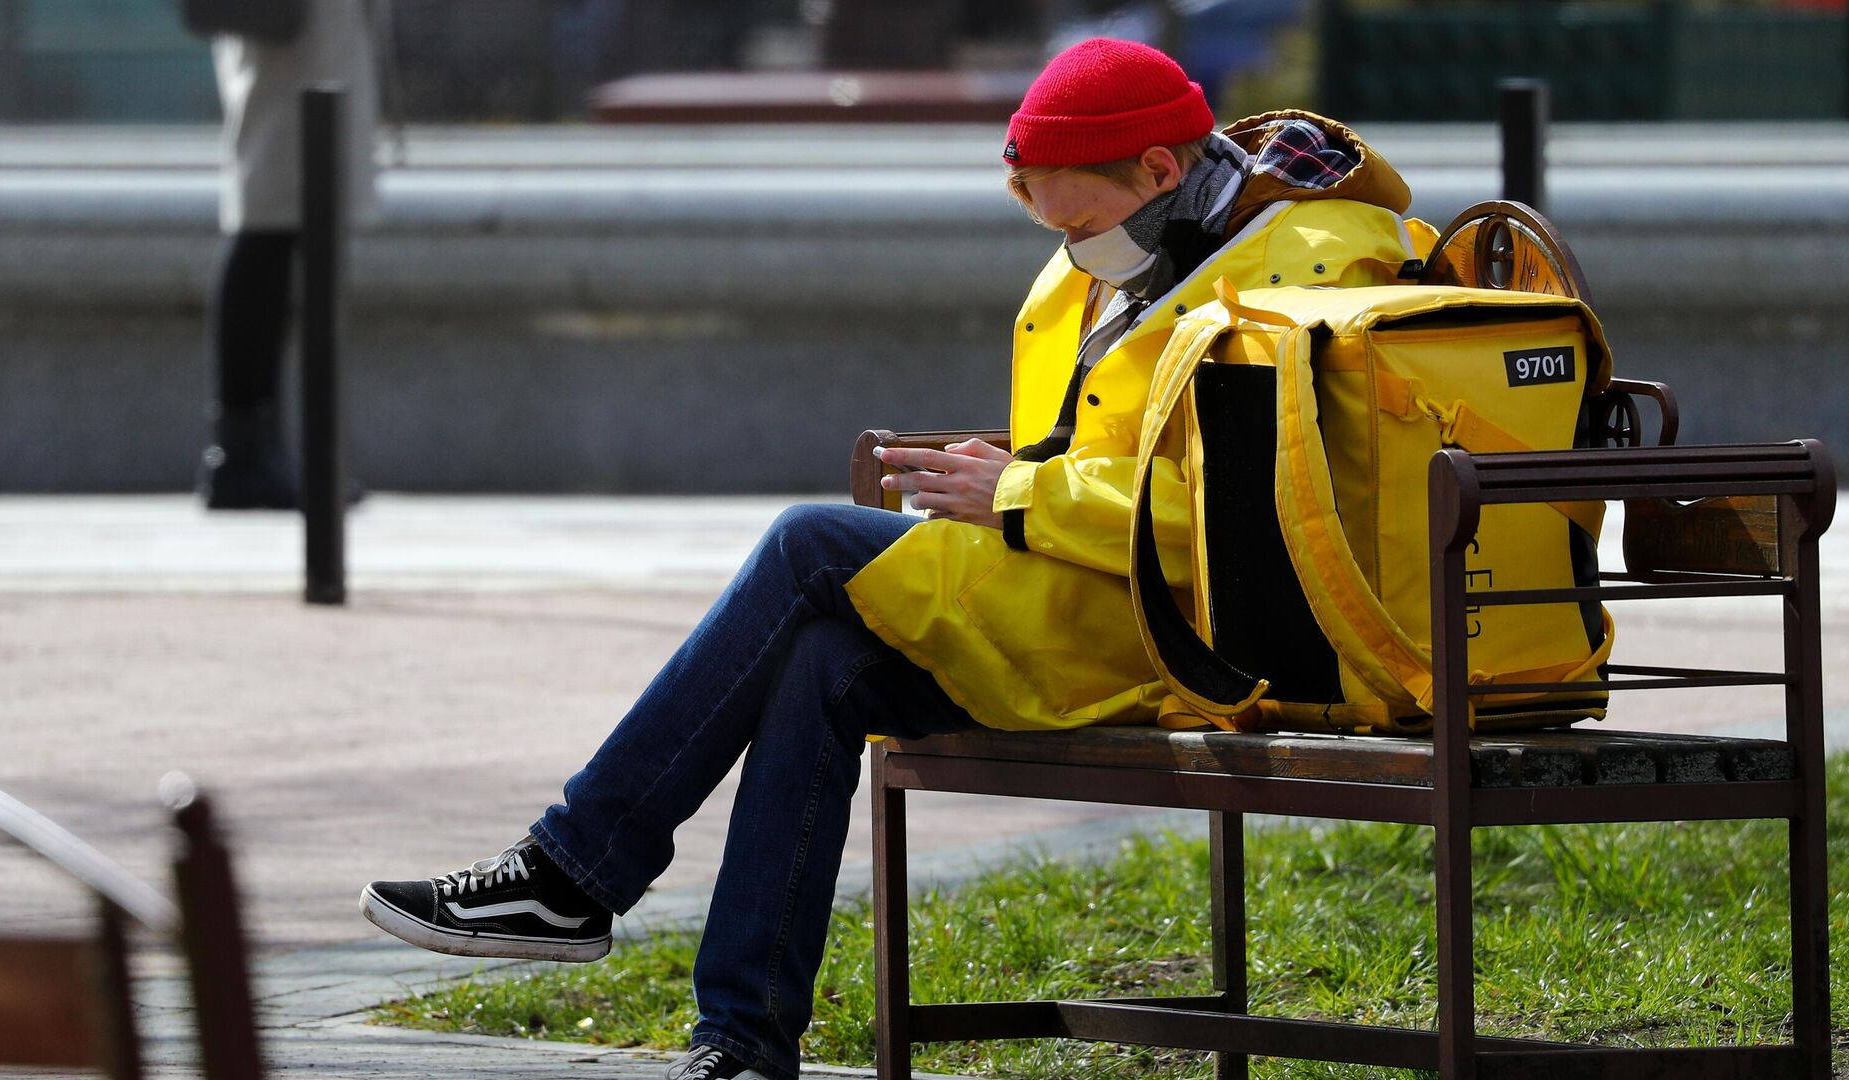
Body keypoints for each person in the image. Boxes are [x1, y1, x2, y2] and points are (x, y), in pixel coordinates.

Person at [359, 37, 1427, 1080]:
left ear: (1158, 169)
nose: (1075, 253)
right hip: (1091, 600)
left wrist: (1020, 492)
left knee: (807, 541)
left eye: (1085, 225)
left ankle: (571, 873)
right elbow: (1135, 448)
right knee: (822, 656)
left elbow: (1259, 520)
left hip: (1195, 641)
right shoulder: (1151, 238)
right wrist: (1027, 463)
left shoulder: (1307, 267)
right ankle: (739, 1043)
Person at [200, 0, 382, 509]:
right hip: (292, 30)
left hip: (311, 29)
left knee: (292, 219)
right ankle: (241, 450)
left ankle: (261, 447)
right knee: (270, 216)